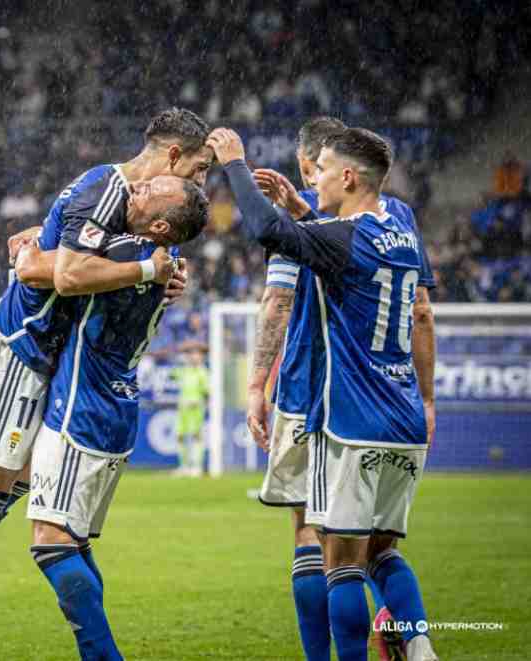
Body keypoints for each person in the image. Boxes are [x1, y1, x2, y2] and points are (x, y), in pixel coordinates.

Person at [0, 108, 213, 661]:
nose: (202, 183)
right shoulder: (107, 191)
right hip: (23, 344)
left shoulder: (132, 217)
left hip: (52, 357)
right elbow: (50, 272)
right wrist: (146, 272)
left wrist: (156, 270)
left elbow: (53, 251)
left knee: (13, 486)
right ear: (174, 157)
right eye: (201, 171)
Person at [213, 126, 439, 661]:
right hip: (405, 415)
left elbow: (269, 232)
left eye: (320, 170)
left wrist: (236, 165)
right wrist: (429, 398)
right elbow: (422, 310)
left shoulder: (342, 235)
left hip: (345, 414)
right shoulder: (402, 228)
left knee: (337, 559)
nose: (312, 179)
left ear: (347, 176)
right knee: (383, 551)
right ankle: (420, 643)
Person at [26, 179, 209, 660]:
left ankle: (104, 656)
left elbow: (54, 265)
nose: (139, 185)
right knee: (75, 542)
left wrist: (30, 245)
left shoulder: (130, 251)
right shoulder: (153, 261)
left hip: (84, 406)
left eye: (154, 189)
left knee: (50, 543)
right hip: (118, 403)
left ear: (161, 225)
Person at [172, 345, 208, 476]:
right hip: (182, 408)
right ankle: (184, 466)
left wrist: (200, 403)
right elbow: (172, 374)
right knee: (180, 436)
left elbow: (207, 392)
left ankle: (196, 467)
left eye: (197, 354)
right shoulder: (184, 370)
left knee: (196, 436)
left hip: (196, 408)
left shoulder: (203, 372)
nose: (194, 357)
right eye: (192, 354)